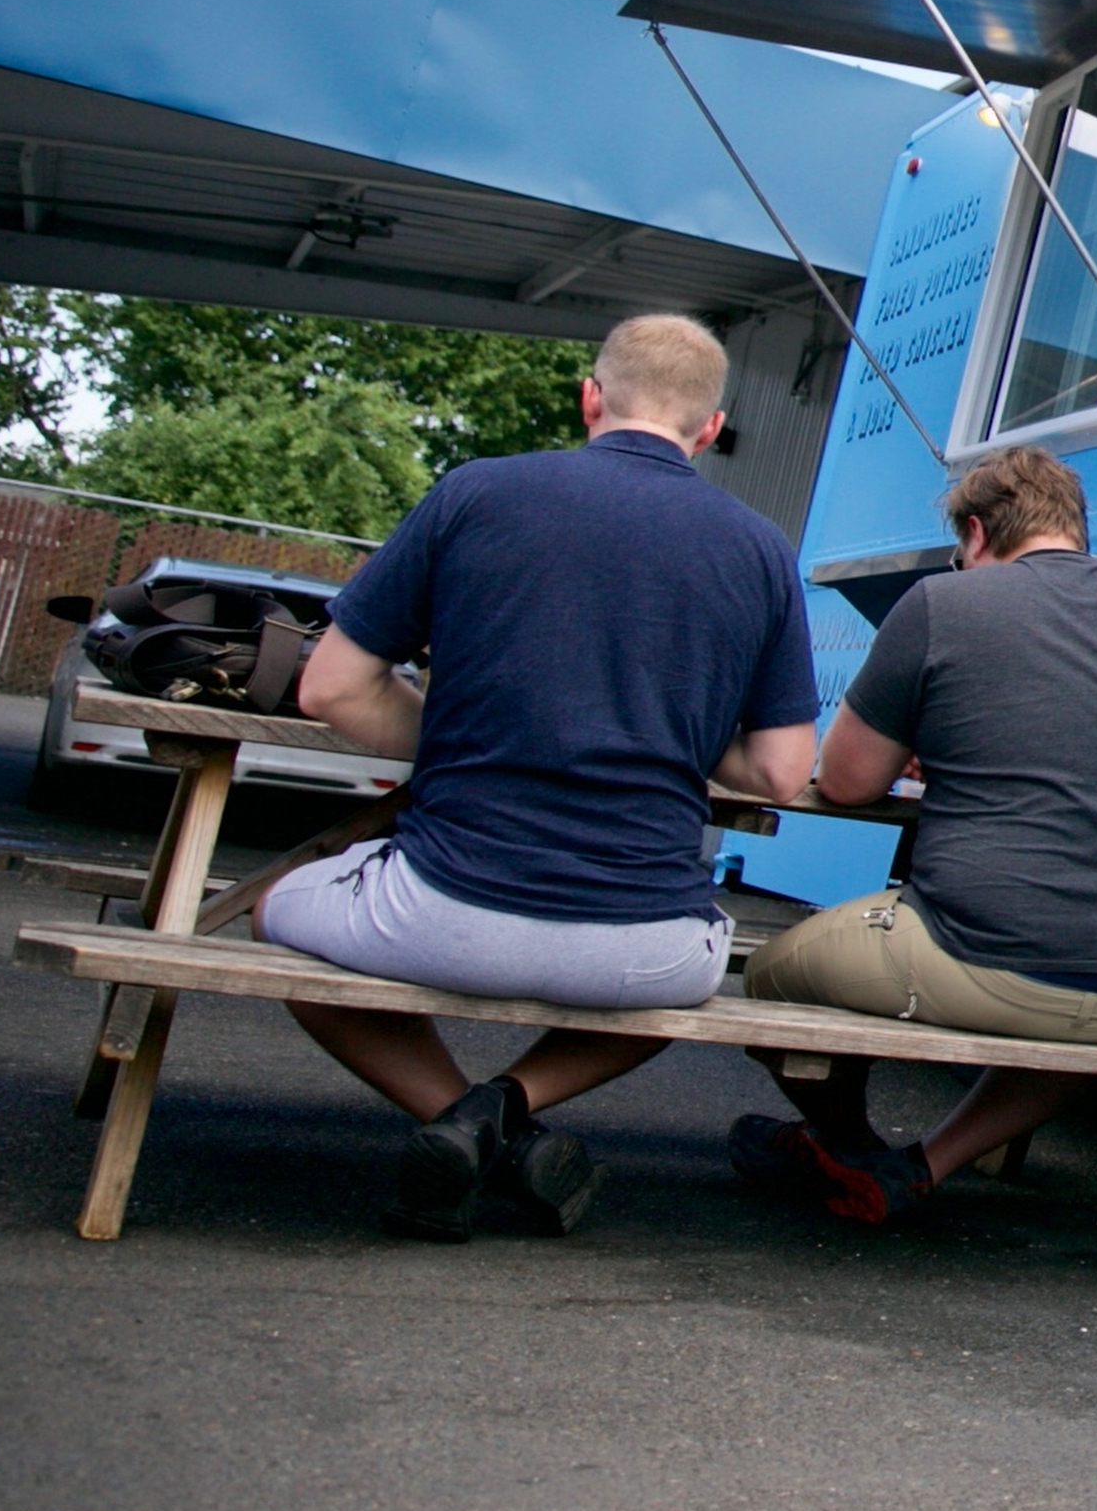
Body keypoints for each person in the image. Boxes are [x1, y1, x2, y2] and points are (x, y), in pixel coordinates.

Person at [263, 312, 818, 1239]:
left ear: (591, 397)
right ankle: (501, 1114)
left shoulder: (475, 493)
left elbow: (332, 688)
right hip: (643, 946)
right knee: (693, 973)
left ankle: (466, 1123)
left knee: (278, 913)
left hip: (436, 910)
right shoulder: (761, 550)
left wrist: (459, 730)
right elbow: (780, 769)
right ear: (711, 429)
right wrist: (669, 725)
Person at [737, 444, 1097, 1225]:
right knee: (1086, 1008)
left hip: (981, 953)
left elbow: (845, 780)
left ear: (975, 533)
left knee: (769, 972)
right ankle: (919, 1167)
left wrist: (939, 750)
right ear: (1076, 528)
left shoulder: (942, 605)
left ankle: (852, 1147)